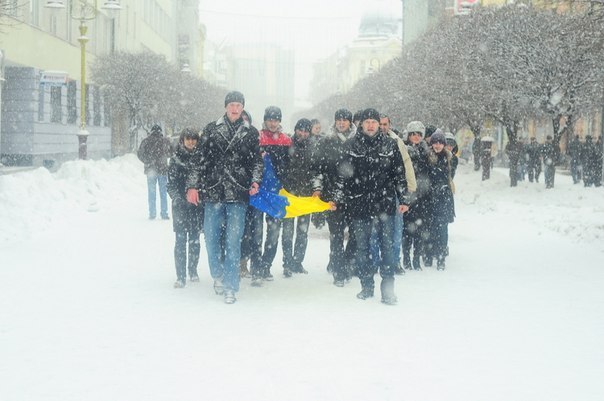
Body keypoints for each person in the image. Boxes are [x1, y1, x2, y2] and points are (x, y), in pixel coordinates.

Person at [186, 91, 262, 304]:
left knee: (233, 241)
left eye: (238, 105)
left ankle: (231, 285)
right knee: (210, 238)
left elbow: (257, 161)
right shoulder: (211, 129)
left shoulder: (250, 132)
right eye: (231, 105)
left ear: (243, 107)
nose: (235, 109)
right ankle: (217, 274)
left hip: (238, 192)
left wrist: (255, 181)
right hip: (214, 191)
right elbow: (198, 160)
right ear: (226, 107)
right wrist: (192, 186)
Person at [336, 108, 409, 305]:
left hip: (384, 204)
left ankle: (388, 290)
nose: (370, 125)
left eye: (374, 122)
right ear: (361, 124)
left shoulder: (390, 145)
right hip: (359, 205)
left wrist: (403, 199)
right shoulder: (351, 145)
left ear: (379, 124)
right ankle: (366, 286)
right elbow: (343, 176)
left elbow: (399, 175)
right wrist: (339, 199)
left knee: (387, 248)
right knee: (362, 248)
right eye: (367, 121)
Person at [313, 108, 357, 287]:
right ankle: (339, 271)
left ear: (350, 122)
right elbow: (318, 168)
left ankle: (344, 262)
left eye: (345, 120)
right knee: (336, 235)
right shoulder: (326, 141)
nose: (341, 122)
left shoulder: (357, 141)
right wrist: (318, 188)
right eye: (338, 119)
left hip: (355, 195)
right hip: (332, 196)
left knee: (355, 233)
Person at [257, 106, 292, 285]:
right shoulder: (257, 138)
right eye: (270, 119)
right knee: (255, 232)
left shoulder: (286, 141)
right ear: (265, 120)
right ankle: (256, 264)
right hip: (257, 192)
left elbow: (289, 166)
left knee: (273, 233)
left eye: (276, 119)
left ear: (279, 121)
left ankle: (265, 265)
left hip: (276, 193)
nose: (273, 122)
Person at [379, 114, 417, 275]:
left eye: (385, 124)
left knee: (396, 230)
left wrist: (410, 186)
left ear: (390, 125)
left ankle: (394, 262)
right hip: (376, 192)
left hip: (394, 191)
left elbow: (406, 164)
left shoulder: (397, 142)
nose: (382, 127)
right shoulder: (369, 141)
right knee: (375, 232)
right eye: (379, 123)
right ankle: (375, 262)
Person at [167, 128, 203, 288]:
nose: (191, 142)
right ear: (182, 140)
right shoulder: (175, 159)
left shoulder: (202, 158)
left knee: (195, 240)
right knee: (180, 240)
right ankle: (180, 275)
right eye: (188, 139)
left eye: (194, 139)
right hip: (180, 206)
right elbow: (171, 184)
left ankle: (193, 270)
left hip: (196, 206)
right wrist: (177, 198)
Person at [281, 118, 317, 277]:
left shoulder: (314, 148)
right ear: (295, 130)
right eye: (300, 130)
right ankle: (287, 263)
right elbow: (281, 168)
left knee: (302, 232)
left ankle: (297, 262)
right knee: (288, 231)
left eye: (306, 131)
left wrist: (316, 188)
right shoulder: (287, 145)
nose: (302, 134)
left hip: (305, 196)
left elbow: (316, 169)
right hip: (290, 194)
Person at [402, 120, 430, 271]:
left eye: (419, 134)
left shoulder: (427, 152)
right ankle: (406, 258)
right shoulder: (404, 150)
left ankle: (416, 258)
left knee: (420, 230)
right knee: (407, 231)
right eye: (413, 134)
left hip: (422, 196)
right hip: (408, 195)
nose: (415, 137)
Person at [426, 131, 455, 270]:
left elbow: (449, 176)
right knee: (430, 227)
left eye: (440, 143)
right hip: (429, 198)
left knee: (442, 228)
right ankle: (429, 254)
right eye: (435, 142)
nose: (438, 145)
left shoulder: (449, 158)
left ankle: (441, 256)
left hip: (444, 198)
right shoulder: (426, 156)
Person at [137, 124, 173, 220]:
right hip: (163, 170)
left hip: (150, 170)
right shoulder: (165, 141)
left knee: (151, 192)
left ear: (151, 131)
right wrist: (164, 157)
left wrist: (147, 160)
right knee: (163, 193)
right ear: (160, 131)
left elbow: (139, 154)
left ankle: (152, 213)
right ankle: (164, 213)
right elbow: (171, 152)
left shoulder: (146, 141)